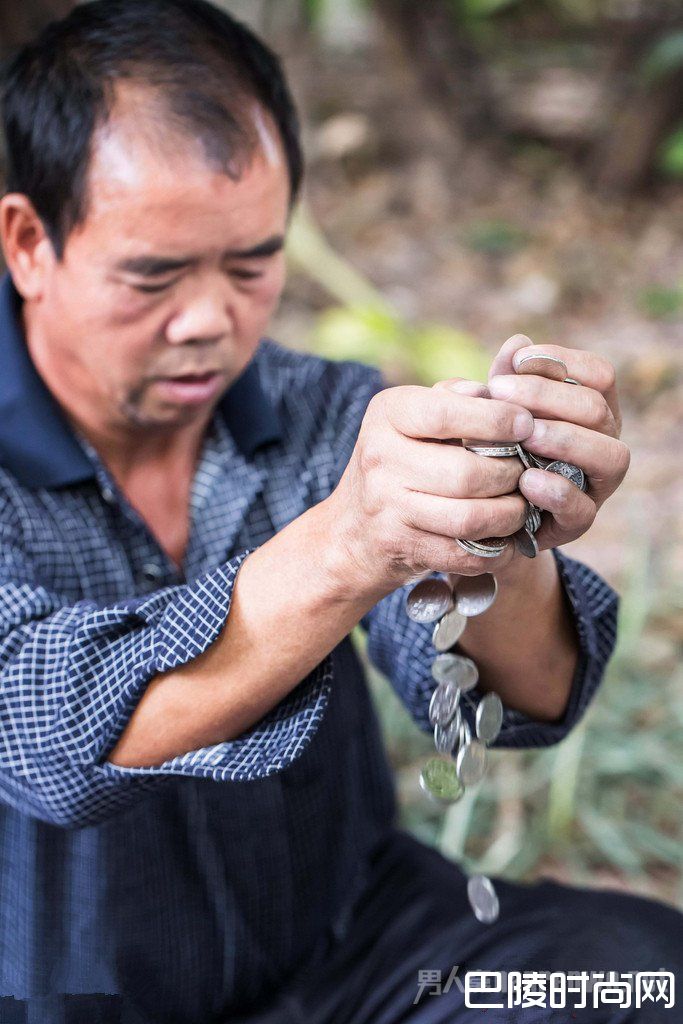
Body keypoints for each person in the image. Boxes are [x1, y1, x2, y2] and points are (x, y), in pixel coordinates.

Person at [0, 1, 679, 1022]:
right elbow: (38, 733)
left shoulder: (317, 411)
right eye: (153, 274)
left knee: (639, 972)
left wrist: (500, 525)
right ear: (27, 242)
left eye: (252, 263)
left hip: (351, 948)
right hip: (59, 990)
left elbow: (524, 696)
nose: (210, 320)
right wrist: (342, 545)